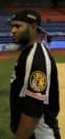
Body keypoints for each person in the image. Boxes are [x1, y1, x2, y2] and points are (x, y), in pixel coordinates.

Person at [10, 9, 61, 139]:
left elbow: (33, 110)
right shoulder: (28, 52)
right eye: (12, 26)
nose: (13, 31)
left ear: (33, 27)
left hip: (39, 134)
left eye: (18, 26)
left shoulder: (37, 58)